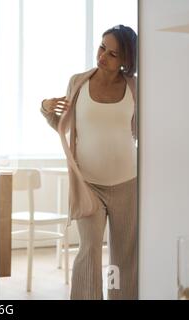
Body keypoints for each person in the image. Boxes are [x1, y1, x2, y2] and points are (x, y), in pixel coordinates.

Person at [41, 25, 138, 300]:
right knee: (89, 250)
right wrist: (45, 107)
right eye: (102, 48)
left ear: (126, 61)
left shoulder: (134, 87)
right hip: (88, 184)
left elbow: (142, 132)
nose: (103, 56)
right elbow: (64, 125)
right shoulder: (78, 82)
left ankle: (121, 297)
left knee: (124, 255)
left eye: (113, 54)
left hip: (127, 183)